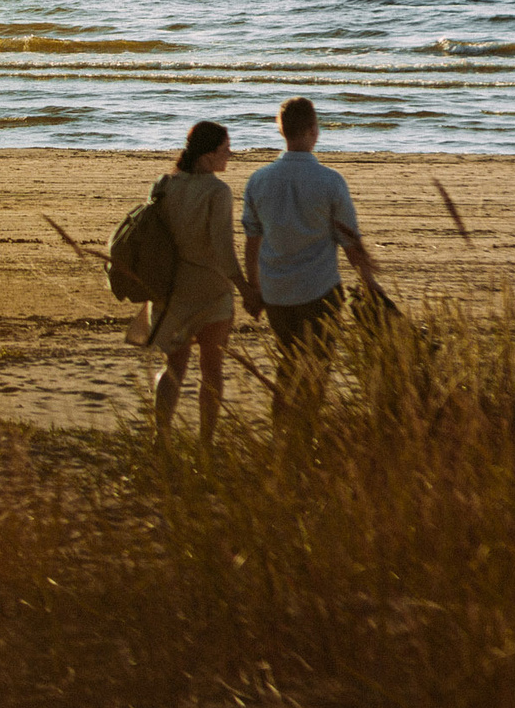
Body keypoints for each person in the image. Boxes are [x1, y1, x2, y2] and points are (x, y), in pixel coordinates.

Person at [241, 98, 384, 380]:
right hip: (318, 289)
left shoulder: (259, 180)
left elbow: (252, 240)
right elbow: (349, 241)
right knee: (317, 365)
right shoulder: (330, 181)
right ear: (313, 130)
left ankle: (283, 422)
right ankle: (305, 421)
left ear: (281, 130)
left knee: (289, 359)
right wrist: (369, 282)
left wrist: (254, 288)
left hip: (276, 291)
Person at [146, 120, 252, 447]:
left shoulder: (163, 184)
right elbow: (223, 249)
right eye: (225, 149)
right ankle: (205, 443)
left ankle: (160, 439)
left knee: (174, 367)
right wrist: (246, 289)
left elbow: (154, 238)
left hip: (170, 289)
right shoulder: (217, 191)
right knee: (212, 368)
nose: (230, 154)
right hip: (211, 291)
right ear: (207, 154)